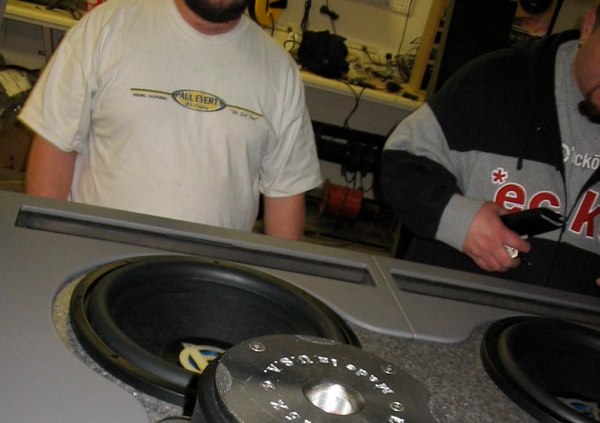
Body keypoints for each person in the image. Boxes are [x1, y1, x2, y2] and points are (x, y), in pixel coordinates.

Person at [18, 0, 322, 240]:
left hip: (211, 279)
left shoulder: (279, 72)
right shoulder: (107, 27)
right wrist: (47, 247)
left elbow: (286, 193)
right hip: (97, 265)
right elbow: (56, 142)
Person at [381, 5, 600, 295]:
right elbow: (400, 163)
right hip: (451, 304)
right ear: (588, 27)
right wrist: (459, 221)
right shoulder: (493, 80)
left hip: (572, 320)